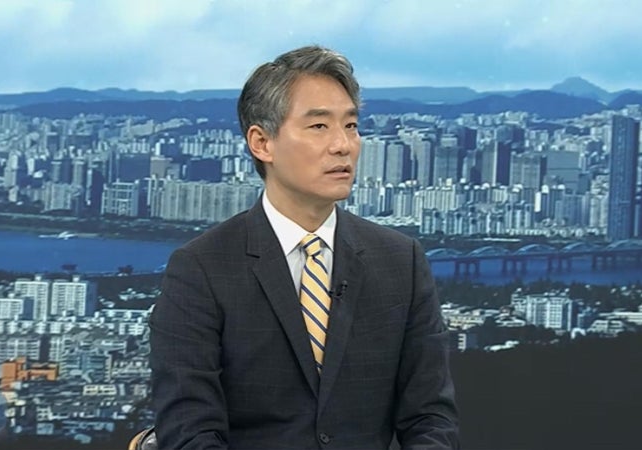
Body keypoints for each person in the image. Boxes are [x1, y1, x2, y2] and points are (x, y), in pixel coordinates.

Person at [149, 44, 459, 450]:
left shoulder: (401, 260)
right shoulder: (201, 269)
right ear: (262, 143)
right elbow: (190, 431)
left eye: (351, 125)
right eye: (319, 126)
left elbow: (430, 419)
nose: (343, 145)